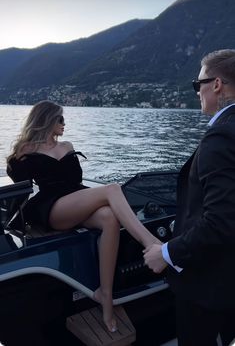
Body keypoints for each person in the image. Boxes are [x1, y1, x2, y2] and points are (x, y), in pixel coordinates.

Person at [6, 100, 159, 334]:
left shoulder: (67, 145)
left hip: (76, 198)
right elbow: (19, 184)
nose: (64, 124)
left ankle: (104, 294)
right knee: (112, 188)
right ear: (48, 120)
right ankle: (151, 243)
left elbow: (76, 179)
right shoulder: (27, 150)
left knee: (109, 216)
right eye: (61, 119)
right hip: (53, 207)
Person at [144, 49, 235, 346]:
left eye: (198, 85)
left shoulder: (220, 137)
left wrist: (166, 253)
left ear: (217, 84)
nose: (198, 92)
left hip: (210, 286)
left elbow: (221, 221)